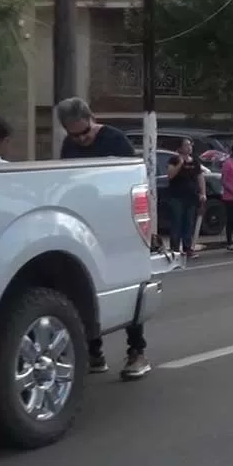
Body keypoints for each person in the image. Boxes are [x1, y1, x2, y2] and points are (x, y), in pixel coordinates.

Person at [54, 97, 150, 379]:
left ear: (91, 119)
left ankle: (137, 351)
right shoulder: (69, 146)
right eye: (74, 134)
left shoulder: (115, 140)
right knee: (83, 289)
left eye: (85, 132)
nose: (81, 139)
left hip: (118, 222)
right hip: (84, 225)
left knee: (127, 284)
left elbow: (134, 181)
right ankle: (94, 352)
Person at [165, 137, 206, 257]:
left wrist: (202, 193)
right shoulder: (174, 160)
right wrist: (180, 164)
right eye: (186, 145)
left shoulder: (195, 161)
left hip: (191, 197)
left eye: (190, 145)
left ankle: (188, 248)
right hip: (177, 197)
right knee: (176, 223)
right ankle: (175, 249)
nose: (189, 147)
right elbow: (170, 175)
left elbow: (200, 177)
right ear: (180, 148)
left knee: (189, 223)